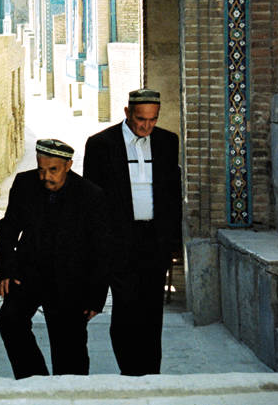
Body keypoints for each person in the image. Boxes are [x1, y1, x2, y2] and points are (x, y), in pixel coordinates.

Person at [83, 88, 182, 376]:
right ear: (128, 113)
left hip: (154, 242)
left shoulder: (166, 141)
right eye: (141, 120)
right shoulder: (101, 144)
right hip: (118, 243)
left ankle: (151, 376)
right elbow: (93, 200)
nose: (146, 126)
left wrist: (173, 242)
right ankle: (131, 373)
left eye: (152, 120)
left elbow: (171, 195)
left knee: (152, 314)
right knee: (126, 311)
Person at [0, 138, 111, 379]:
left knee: (70, 354)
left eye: (53, 170)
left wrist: (95, 296)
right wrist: (7, 269)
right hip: (28, 276)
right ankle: (35, 381)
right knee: (10, 321)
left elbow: (101, 251)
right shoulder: (24, 184)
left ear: (68, 166)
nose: (45, 176)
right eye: (41, 168)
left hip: (69, 282)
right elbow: (8, 230)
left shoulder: (91, 195)